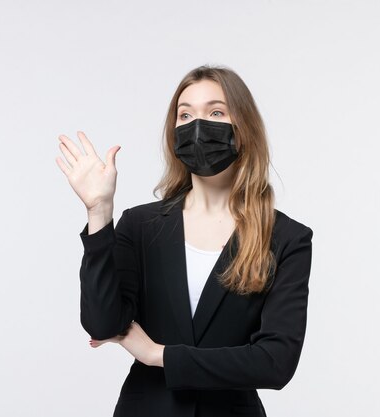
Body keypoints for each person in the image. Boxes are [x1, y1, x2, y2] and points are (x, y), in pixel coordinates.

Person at [55, 65, 313, 417]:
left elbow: (275, 362)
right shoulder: (141, 224)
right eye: (185, 114)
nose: (197, 125)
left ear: (244, 129)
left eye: (216, 112)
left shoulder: (286, 238)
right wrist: (99, 212)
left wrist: (158, 354)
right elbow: (102, 324)